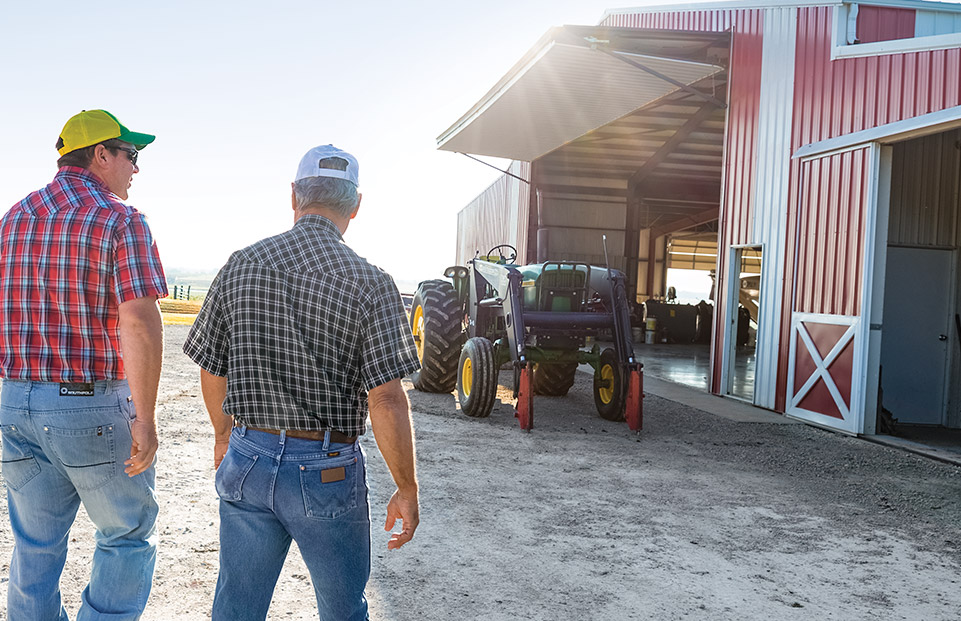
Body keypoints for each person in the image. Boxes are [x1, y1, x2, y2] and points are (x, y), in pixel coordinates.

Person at [183, 144, 420, 621]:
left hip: (247, 457)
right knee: (342, 610)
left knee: (236, 607)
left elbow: (211, 363)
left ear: (294, 195)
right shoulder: (371, 282)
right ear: (355, 206)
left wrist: (225, 433)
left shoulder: (241, 263)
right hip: (327, 470)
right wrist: (406, 487)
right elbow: (387, 399)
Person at [0, 110, 167, 620]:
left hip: (15, 401)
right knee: (125, 534)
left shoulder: (13, 218)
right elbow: (139, 320)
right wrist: (145, 416)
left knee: (35, 542)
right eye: (130, 156)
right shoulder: (121, 220)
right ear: (101, 155)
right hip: (88, 405)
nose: (135, 169)